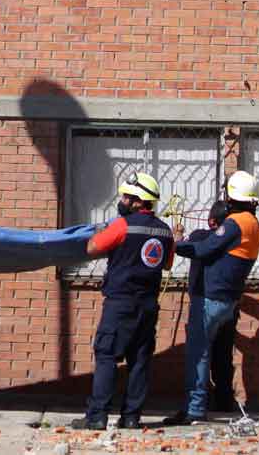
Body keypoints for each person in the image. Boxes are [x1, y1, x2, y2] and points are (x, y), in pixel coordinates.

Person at [71, 172, 174, 431]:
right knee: (139, 360)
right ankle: (131, 417)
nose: (123, 200)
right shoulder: (165, 230)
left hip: (121, 303)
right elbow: (168, 264)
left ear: (139, 201)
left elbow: (92, 248)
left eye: (127, 197)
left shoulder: (122, 225)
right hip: (148, 305)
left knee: (106, 355)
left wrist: (105, 230)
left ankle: (97, 417)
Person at [164, 171, 259, 425]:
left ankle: (194, 410)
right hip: (229, 300)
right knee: (217, 354)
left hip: (211, 298)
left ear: (231, 196)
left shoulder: (236, 222)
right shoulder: (253, 224)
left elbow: (204, 249)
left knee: (198, 354)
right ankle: (216, 400)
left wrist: (175, 244)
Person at [184, 200, 240, 413]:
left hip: (203, 302)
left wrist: (178, 237)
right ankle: (224, 400)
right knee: (223, 354)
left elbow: (189, 244)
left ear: (211, 221)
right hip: (228, 303)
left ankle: (197, 404)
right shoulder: (234, 240)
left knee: (200, 353)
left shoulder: (200, 237)